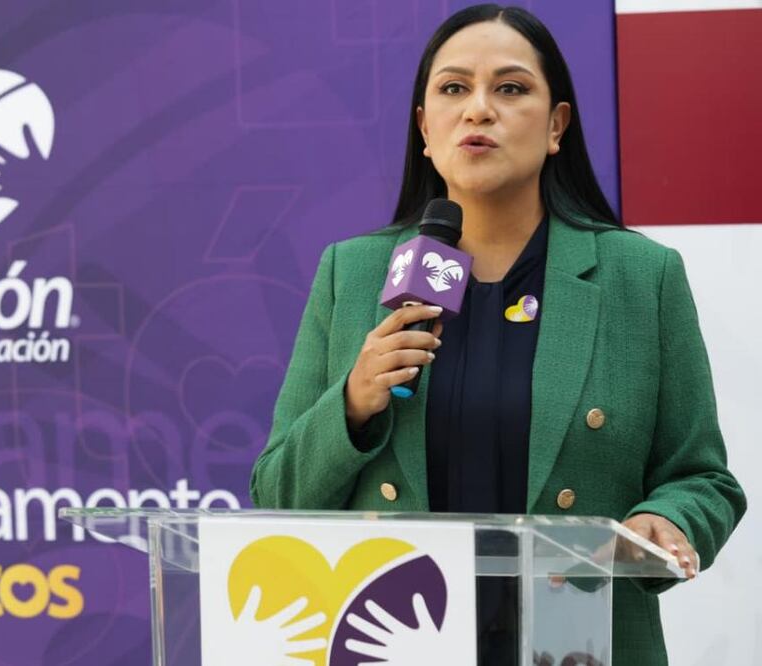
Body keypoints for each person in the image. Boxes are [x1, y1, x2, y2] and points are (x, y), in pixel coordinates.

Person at [248, 4, 746, 665]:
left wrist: (668, 522)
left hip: (579, 644)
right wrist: (353, 403)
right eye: (454, 89)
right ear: (426, 129)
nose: (478, 109)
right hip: (397, 643)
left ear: (556, 126)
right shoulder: (353, 272)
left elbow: (703, 479)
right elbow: (275, 496)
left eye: (510, 89)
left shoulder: (640, 276)